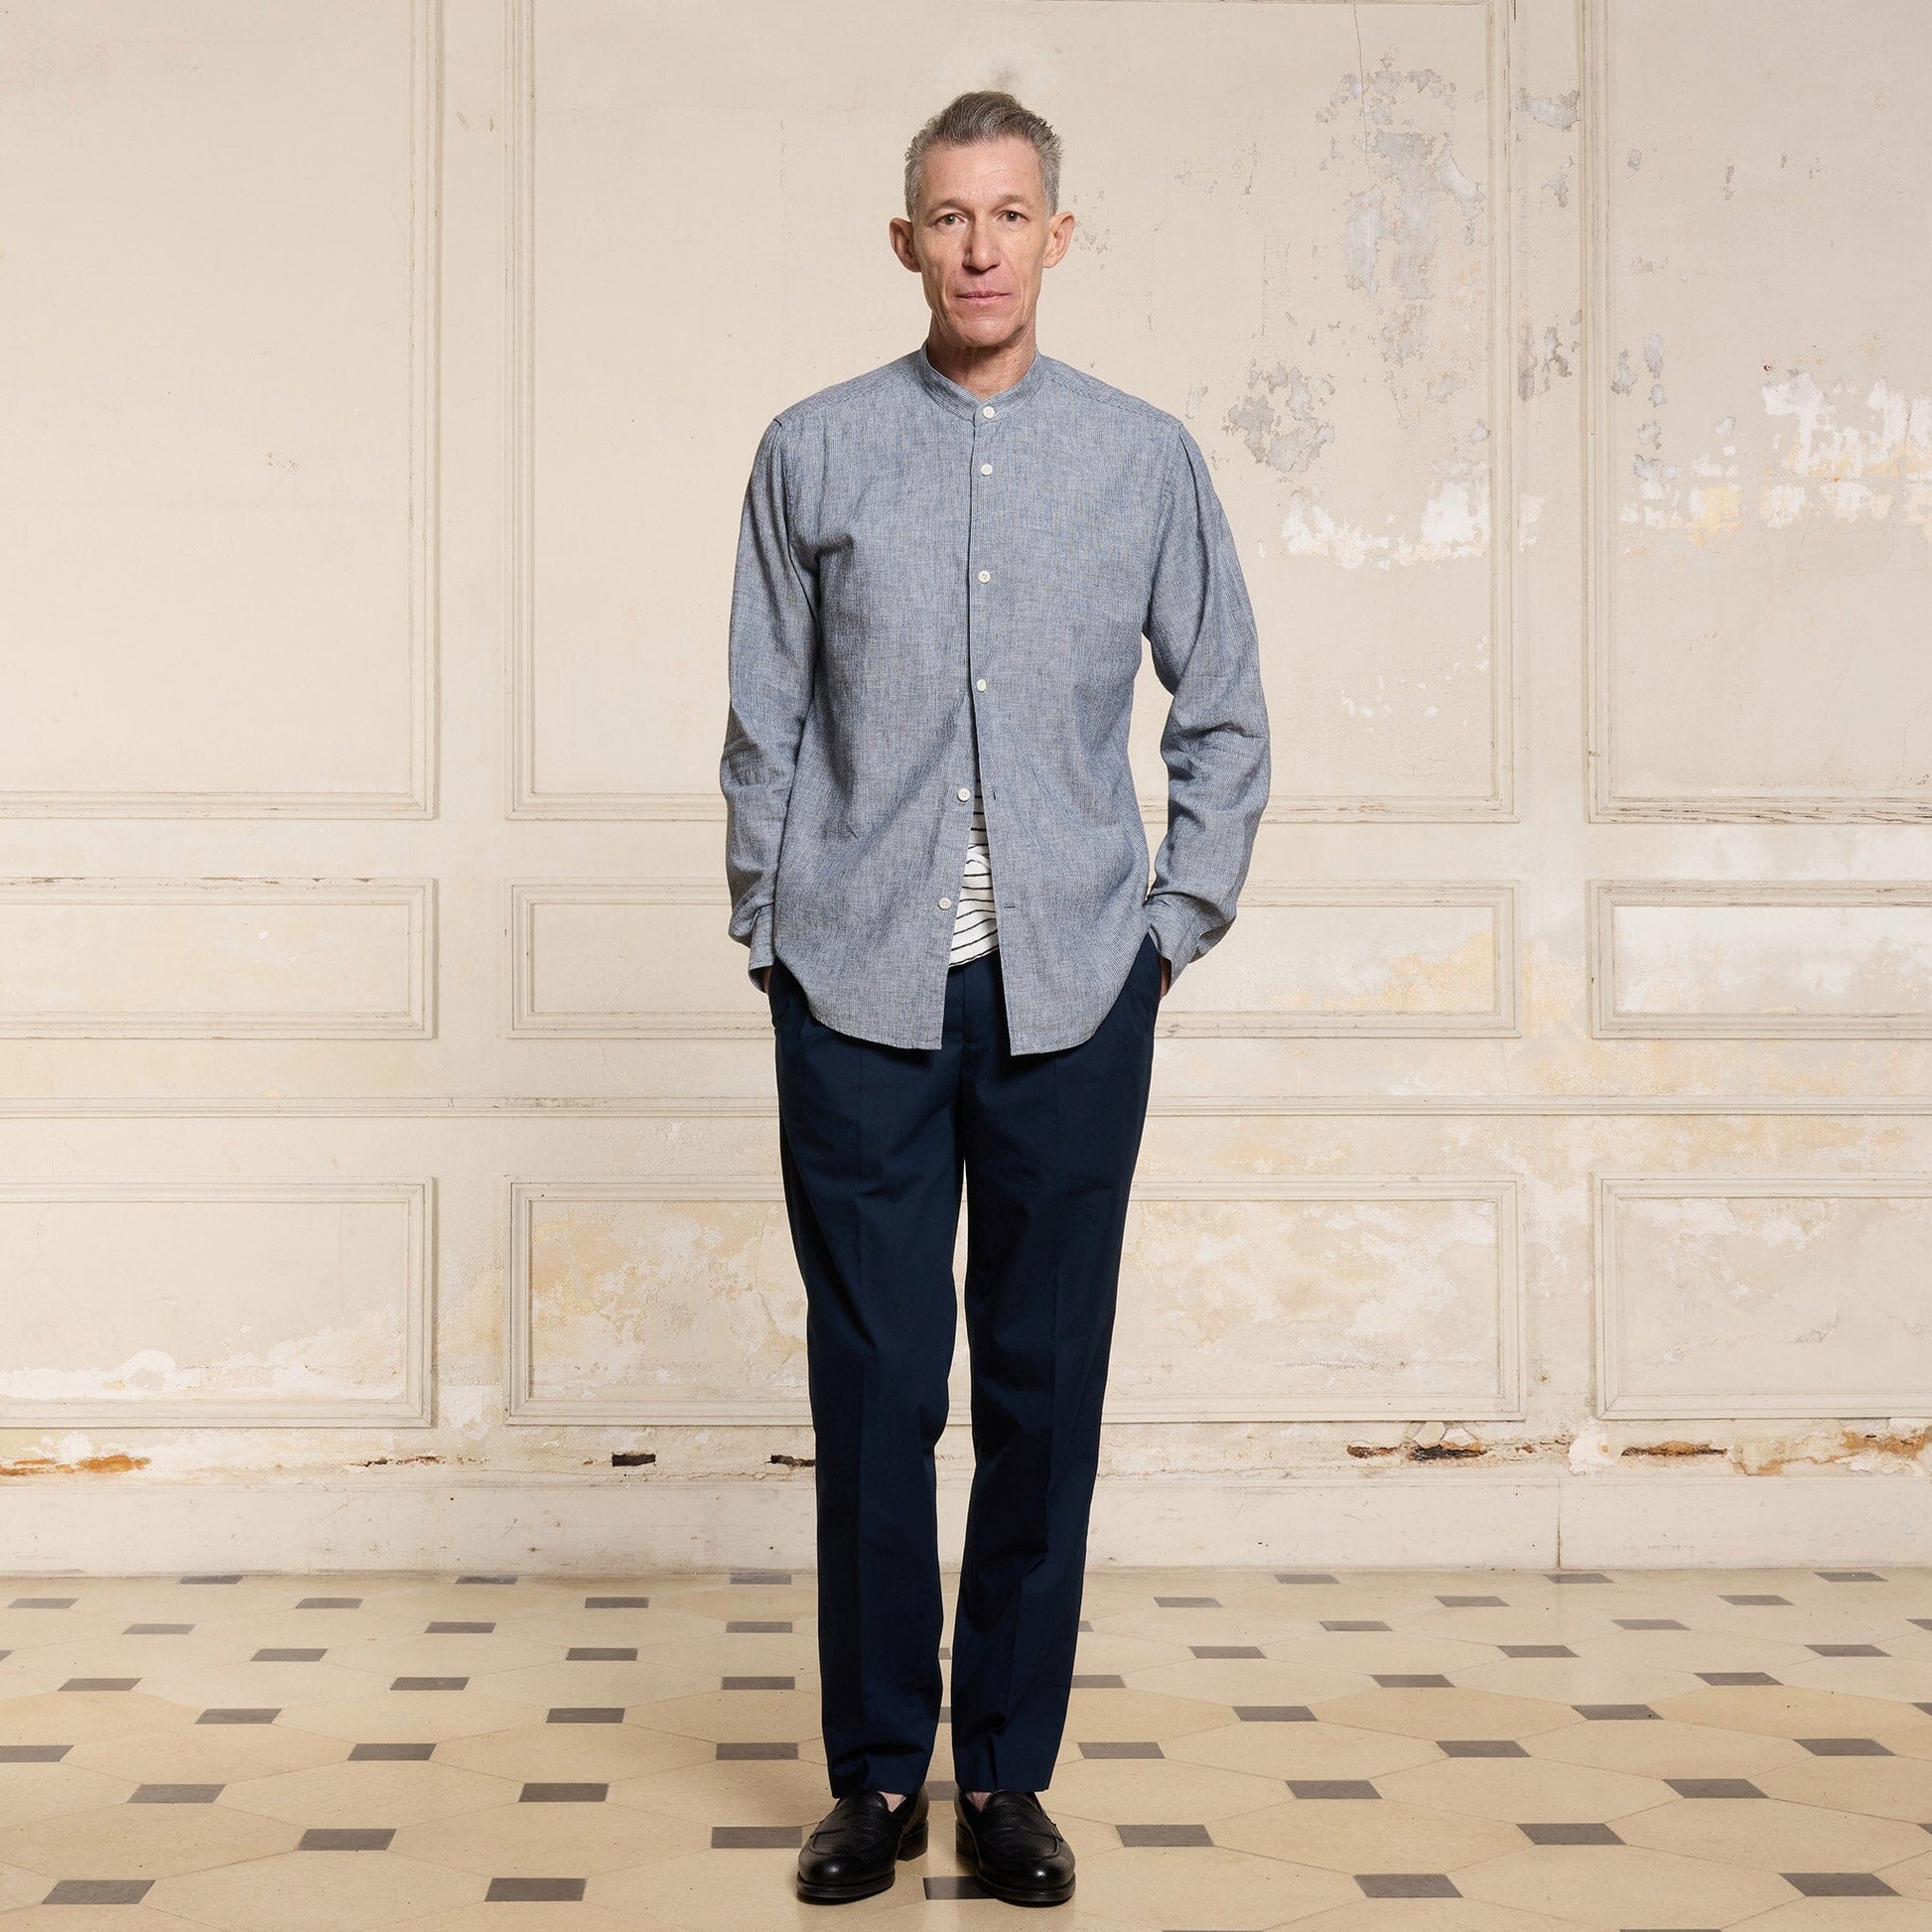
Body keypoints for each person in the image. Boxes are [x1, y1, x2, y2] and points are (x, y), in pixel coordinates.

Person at [719, 88, 1271, 1908]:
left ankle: (1006, 1777)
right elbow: (764, 719)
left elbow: (1222, 714)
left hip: (1073, 997)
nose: (977, 248)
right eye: (947, 217)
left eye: (1008, 214)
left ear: (1056, 236)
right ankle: (876, 1778)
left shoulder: (1140, 458)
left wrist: (1165, 932)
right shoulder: (812, 451)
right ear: (906, 242)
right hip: (855, 990)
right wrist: (773, 931)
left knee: (1044, 1392)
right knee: (878, 1389)